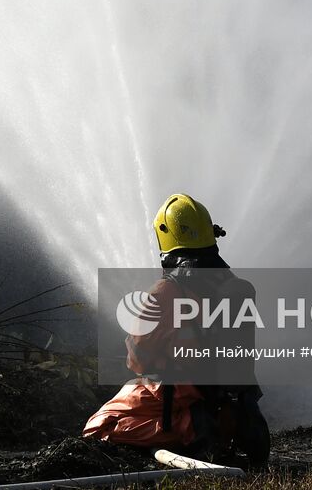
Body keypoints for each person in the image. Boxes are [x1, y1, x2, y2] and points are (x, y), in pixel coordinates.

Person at [83, 193, 271, 467]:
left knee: (98, 427)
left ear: (167, 238)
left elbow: (137, 360)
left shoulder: (165, 290)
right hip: (226, 403)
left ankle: (187, 429)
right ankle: (213, 428)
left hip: (178, 396)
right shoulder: (232, 284)